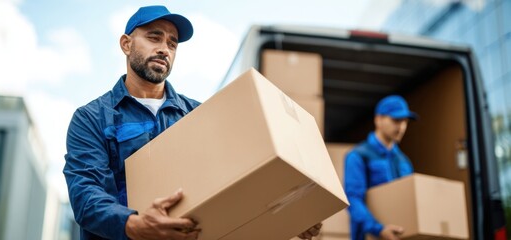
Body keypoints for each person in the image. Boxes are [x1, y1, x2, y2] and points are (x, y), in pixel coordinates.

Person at [64, 5, 321, 240]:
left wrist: (286, 213)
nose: (165, 49)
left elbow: (236, 178)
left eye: (172, 43)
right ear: (126, 44)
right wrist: (134, 224)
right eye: (154, 37)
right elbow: (85, 195)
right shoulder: (91, 118)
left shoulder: (198, 114)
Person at [344, 95, 418, 240]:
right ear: (378, 120)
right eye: (396, 120)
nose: (402, 127)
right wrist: (379, 229)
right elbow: (352, 199)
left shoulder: (404, 161)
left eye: (405, 121)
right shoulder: (358, 156)